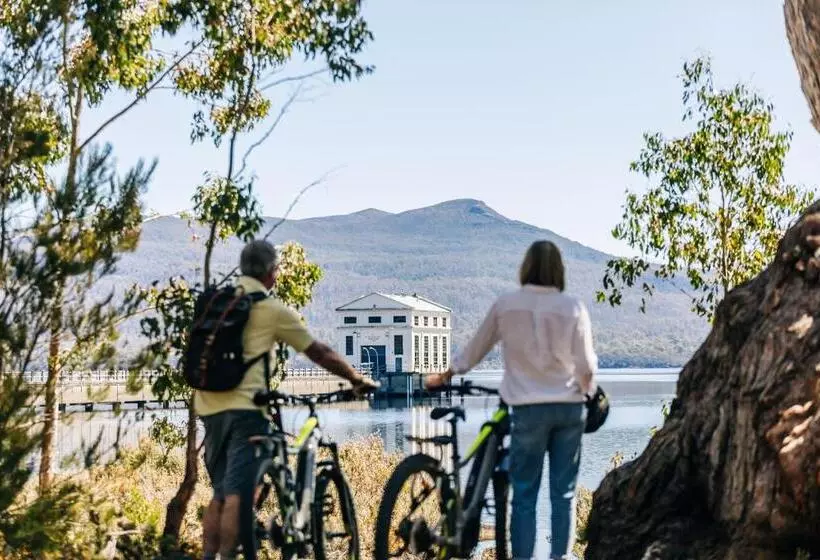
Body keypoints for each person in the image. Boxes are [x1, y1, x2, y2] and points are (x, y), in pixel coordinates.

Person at [197, 239, 379, 560]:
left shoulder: (215, 303)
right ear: (272, 272)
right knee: (238, 494)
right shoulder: (269, 309)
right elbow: (318, 352)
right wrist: (356, 379)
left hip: (208, 408)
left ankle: (209, 556)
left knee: (220, 494)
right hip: (246, 410)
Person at [426, 240, 597, 560]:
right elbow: (586, 366)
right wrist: (588, 392)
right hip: (568, 409)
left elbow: (474, 350)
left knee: (524, 496)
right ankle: (558, 558)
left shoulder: (507, 305)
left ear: (526, 267)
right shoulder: (573, 307)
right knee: (563, 494)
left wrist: (446, 375)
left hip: (526, 412)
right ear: (559, 270)